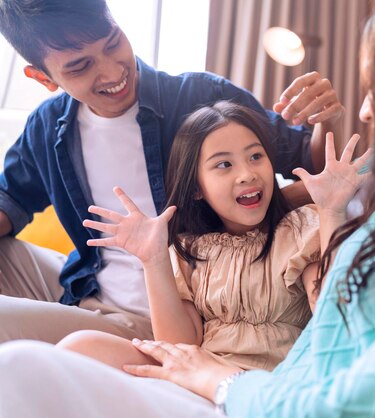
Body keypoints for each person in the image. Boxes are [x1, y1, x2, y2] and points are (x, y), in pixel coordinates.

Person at [0, 0, 375, 417]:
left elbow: (304, 163)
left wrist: (221, 379)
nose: (366, 112)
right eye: (79, 66)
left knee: (23, 365)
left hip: (226, 365)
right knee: (50, 346)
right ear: (42, 77)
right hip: (148, 321)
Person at [0, 0, 344, 344]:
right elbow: (11, 197)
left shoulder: (202, 96)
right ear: (43, 77)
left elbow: (313, 167)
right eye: (81, 66)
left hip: (153, 314)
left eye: (112, 42)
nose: (112, 72)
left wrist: (323, 117)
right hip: (84, 284)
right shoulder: (47, 125)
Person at [55, 101, 339, 372]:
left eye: (256, 156)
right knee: (78, 346)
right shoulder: (190, 249)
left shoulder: (301, 230)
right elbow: (177, 347)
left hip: (261, 385)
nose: (247, 174)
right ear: (196, 189)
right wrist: (153, 260)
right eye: (224, 165)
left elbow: (334, 316)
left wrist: (332, 211)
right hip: (198, 374)